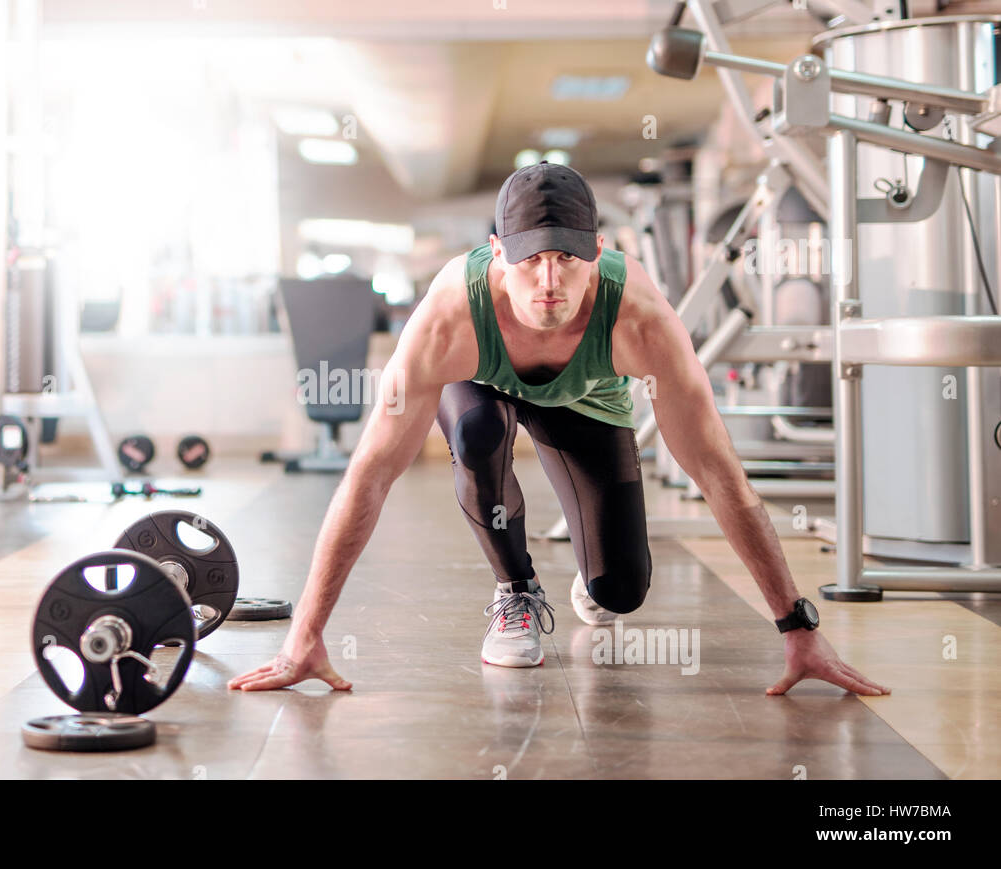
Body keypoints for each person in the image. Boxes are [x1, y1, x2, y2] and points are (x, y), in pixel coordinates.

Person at [229, 161, 889, 698]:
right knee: (479, 434)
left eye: (568, 258)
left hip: (586, 400)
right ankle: (515, 590)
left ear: (598, 251)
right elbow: (371, 473)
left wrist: (798, 627)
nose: (549, 281)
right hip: (480, 385)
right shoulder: (450, 318)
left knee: (620, 591)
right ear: (497, 253)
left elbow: (720, 476)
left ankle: (593, 570)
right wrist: (304, 635)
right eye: (530, 260)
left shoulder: (640, 319)